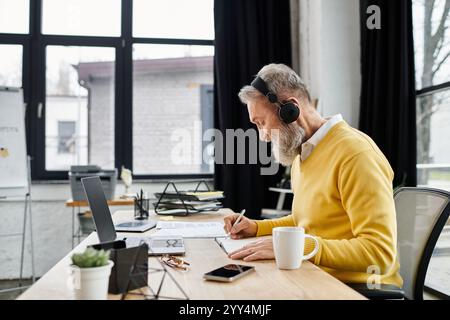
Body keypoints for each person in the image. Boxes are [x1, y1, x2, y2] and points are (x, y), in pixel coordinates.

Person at [223, 63, 402, 287]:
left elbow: (379, 253)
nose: (263, 136)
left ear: (290, 109)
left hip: (356, 288)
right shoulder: (304, 152)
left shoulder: (356, 154)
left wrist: (297, 247)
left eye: (261, 123)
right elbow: (306, 221)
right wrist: (257, 227)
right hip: (315, 275)